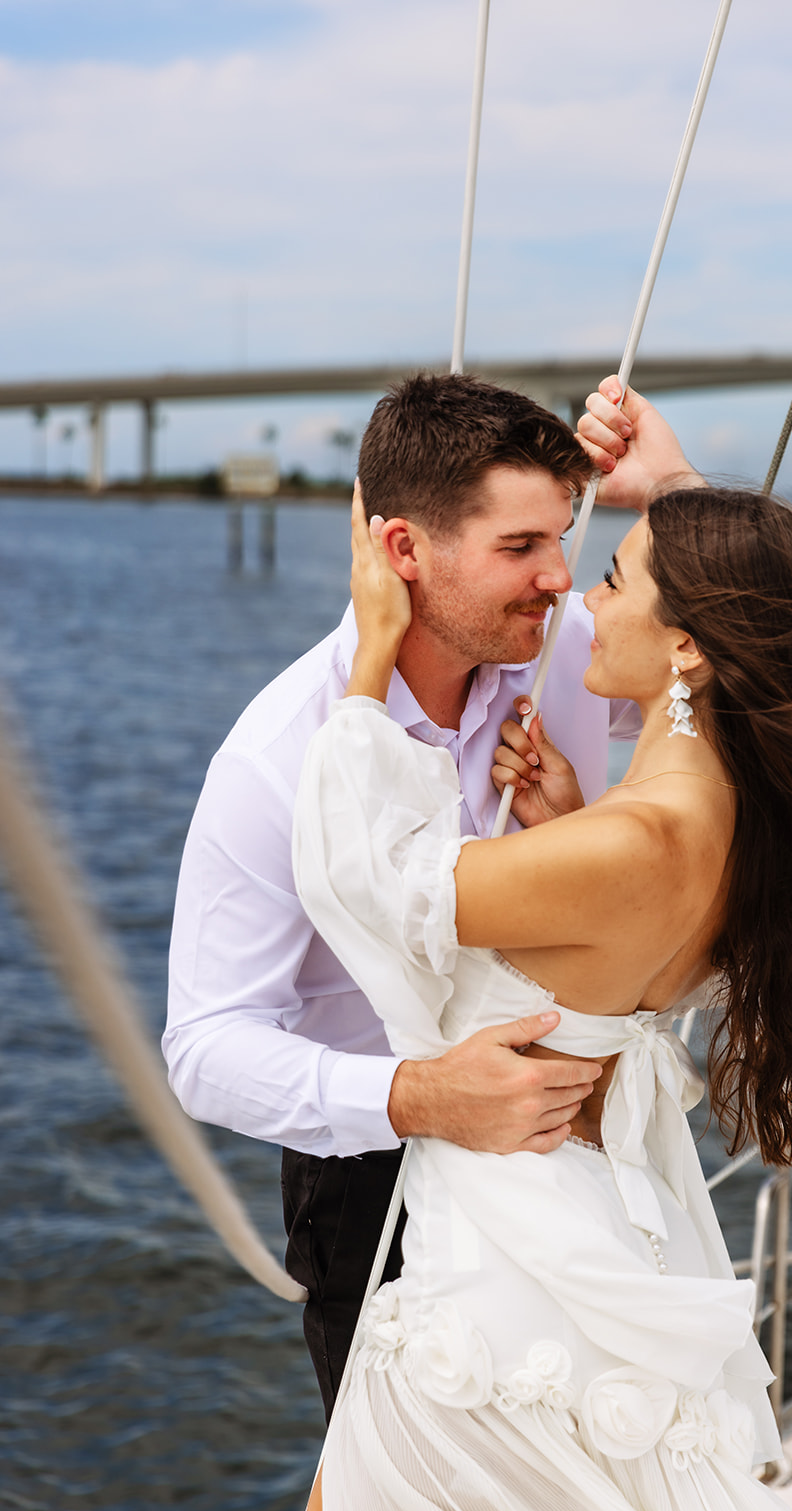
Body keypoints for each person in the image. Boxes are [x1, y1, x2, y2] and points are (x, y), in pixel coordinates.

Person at [284, 380, 792, 1511]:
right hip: (575, 1224)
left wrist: (368, 661)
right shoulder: (706, 813)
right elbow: (748, 586)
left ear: (686, 644)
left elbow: (372, 881)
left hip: (502, 1273)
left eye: (615, 576)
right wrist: (670, 487)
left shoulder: (639, 844)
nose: (582, 592)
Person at [163, 373, 643, 1415]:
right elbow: (204, 1049)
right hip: (371, 1175)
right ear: (402, 552)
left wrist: (672, 489)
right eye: (520, 548)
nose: (559, 578)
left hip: (567, 1154)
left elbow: (755, 678)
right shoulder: (273, 757)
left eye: (560, 539)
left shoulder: (559, 666)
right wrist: (417, 1096)